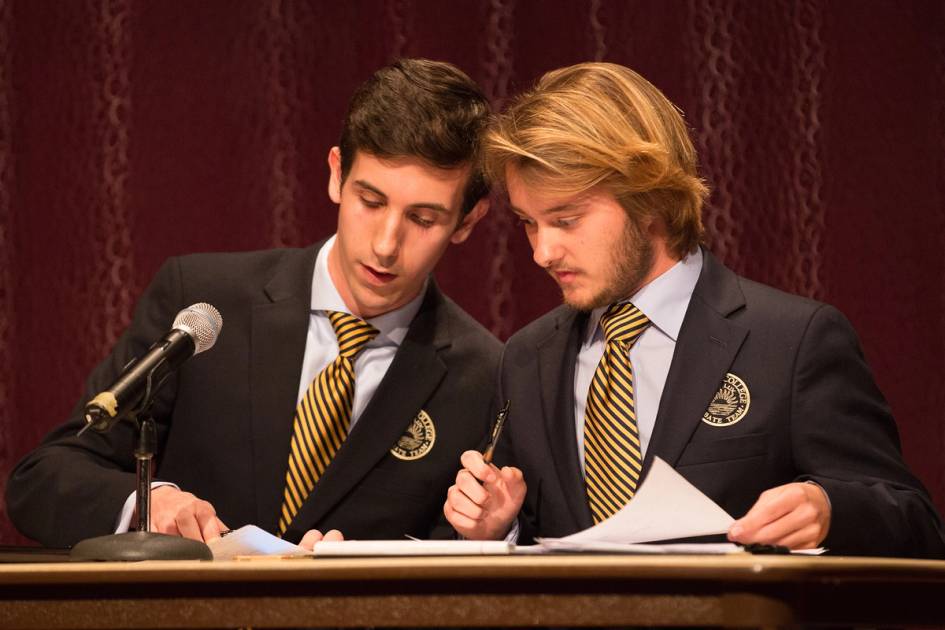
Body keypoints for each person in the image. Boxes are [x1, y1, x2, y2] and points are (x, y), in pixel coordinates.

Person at [443, 62, 945, 557]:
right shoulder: (528, 358)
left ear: (650, 199)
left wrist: (831, 510)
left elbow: (915, 523)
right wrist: (494, 530)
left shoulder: (792, 342)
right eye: (528, 223)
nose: (542, 252)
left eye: (566, 220)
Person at [7, 58, 501, 549]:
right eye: (370, 202)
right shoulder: (202, 301)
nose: (386, 244)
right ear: (335, 175)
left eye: (423, 219)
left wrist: (488, 532)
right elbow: (43, 478)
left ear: (467, 222)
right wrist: (147, 503)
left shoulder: (484, 375)